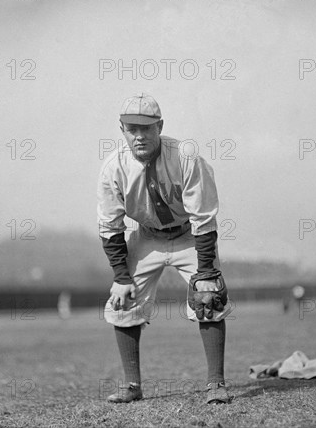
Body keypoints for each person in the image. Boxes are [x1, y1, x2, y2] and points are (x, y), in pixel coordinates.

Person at [97, 93, 232, 404]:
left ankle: (216, 384)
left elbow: (204, 217)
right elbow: (110, 226)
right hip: (147, 238)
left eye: (147, 128)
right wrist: (120, 275)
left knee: (208, 295)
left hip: (188, 234)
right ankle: (132, 385)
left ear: (160, 126)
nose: (140, 135)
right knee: (123, 301)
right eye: (132, 128)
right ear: (122, 129)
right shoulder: (112, 168)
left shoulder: (185, 157)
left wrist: (208, 269)